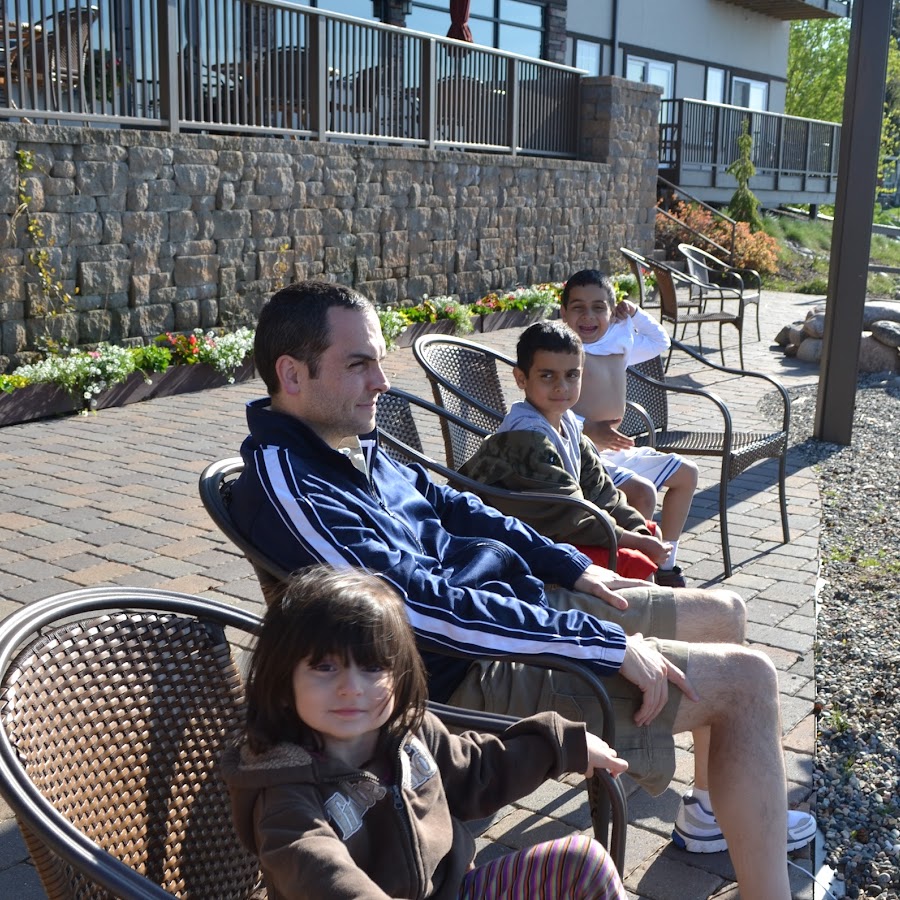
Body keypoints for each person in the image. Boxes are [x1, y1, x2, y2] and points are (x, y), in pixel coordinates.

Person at [229, 280, 815, 900]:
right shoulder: (291, 485)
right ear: (292, 374)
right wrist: (601, 643)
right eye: (359, 364)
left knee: (725, 612)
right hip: (464, 672)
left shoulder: (347, 444)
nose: (381, 381)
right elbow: (421, 612)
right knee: (749, 682)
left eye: (378, 360)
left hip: (510, 613)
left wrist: (570, 566)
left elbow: (457, 506)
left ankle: (709, 816)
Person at [222, 565, 628, 900]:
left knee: (583, 861)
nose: (351, 687)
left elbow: (477, 771)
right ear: (284, 682)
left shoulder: (407, 732)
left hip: (454, 889)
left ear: (399, 675)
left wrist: (560, 747)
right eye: (325, 667)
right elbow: (320, 871)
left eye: (372, 667)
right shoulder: (283, 792)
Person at [458, 319, 674, 583]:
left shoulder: (568, 421)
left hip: (561, 529)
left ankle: (649, 601)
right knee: (636, 561)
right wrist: (636, 542)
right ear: (521, 378)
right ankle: (642, 608)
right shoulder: (526, 438)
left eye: (572, 375)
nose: (561, 386)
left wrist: (639, 532)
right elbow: (570, 516)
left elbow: (600, 488)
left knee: (650, 533)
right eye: (547, 375)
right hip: (518, 541)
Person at [559, 269, 699, 589]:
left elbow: (660, 341)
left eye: (599, 307)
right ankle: (632, 576)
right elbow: (548, 406)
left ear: (612, 311)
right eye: (578, 307)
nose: (588, 316)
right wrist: (586, 428)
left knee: (686, 473)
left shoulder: (619, 340)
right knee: (642, 491)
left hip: (614, 450)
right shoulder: (562, 352)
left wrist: (635, 313)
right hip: (581, 454)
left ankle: (665, 565)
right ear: (563, 312)